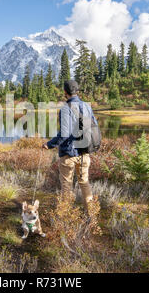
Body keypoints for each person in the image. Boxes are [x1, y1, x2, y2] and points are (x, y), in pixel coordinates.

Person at [42, 80, 98, 212]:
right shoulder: (87, 107)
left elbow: (65, 134)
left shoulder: (65, 109)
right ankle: (91, 215)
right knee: (84, 183)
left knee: (66, 185)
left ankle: (66, 216)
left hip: (68, 154)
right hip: (85, 153)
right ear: (77, 91)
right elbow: (94, 126)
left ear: (65, 92)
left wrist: (49, 144)